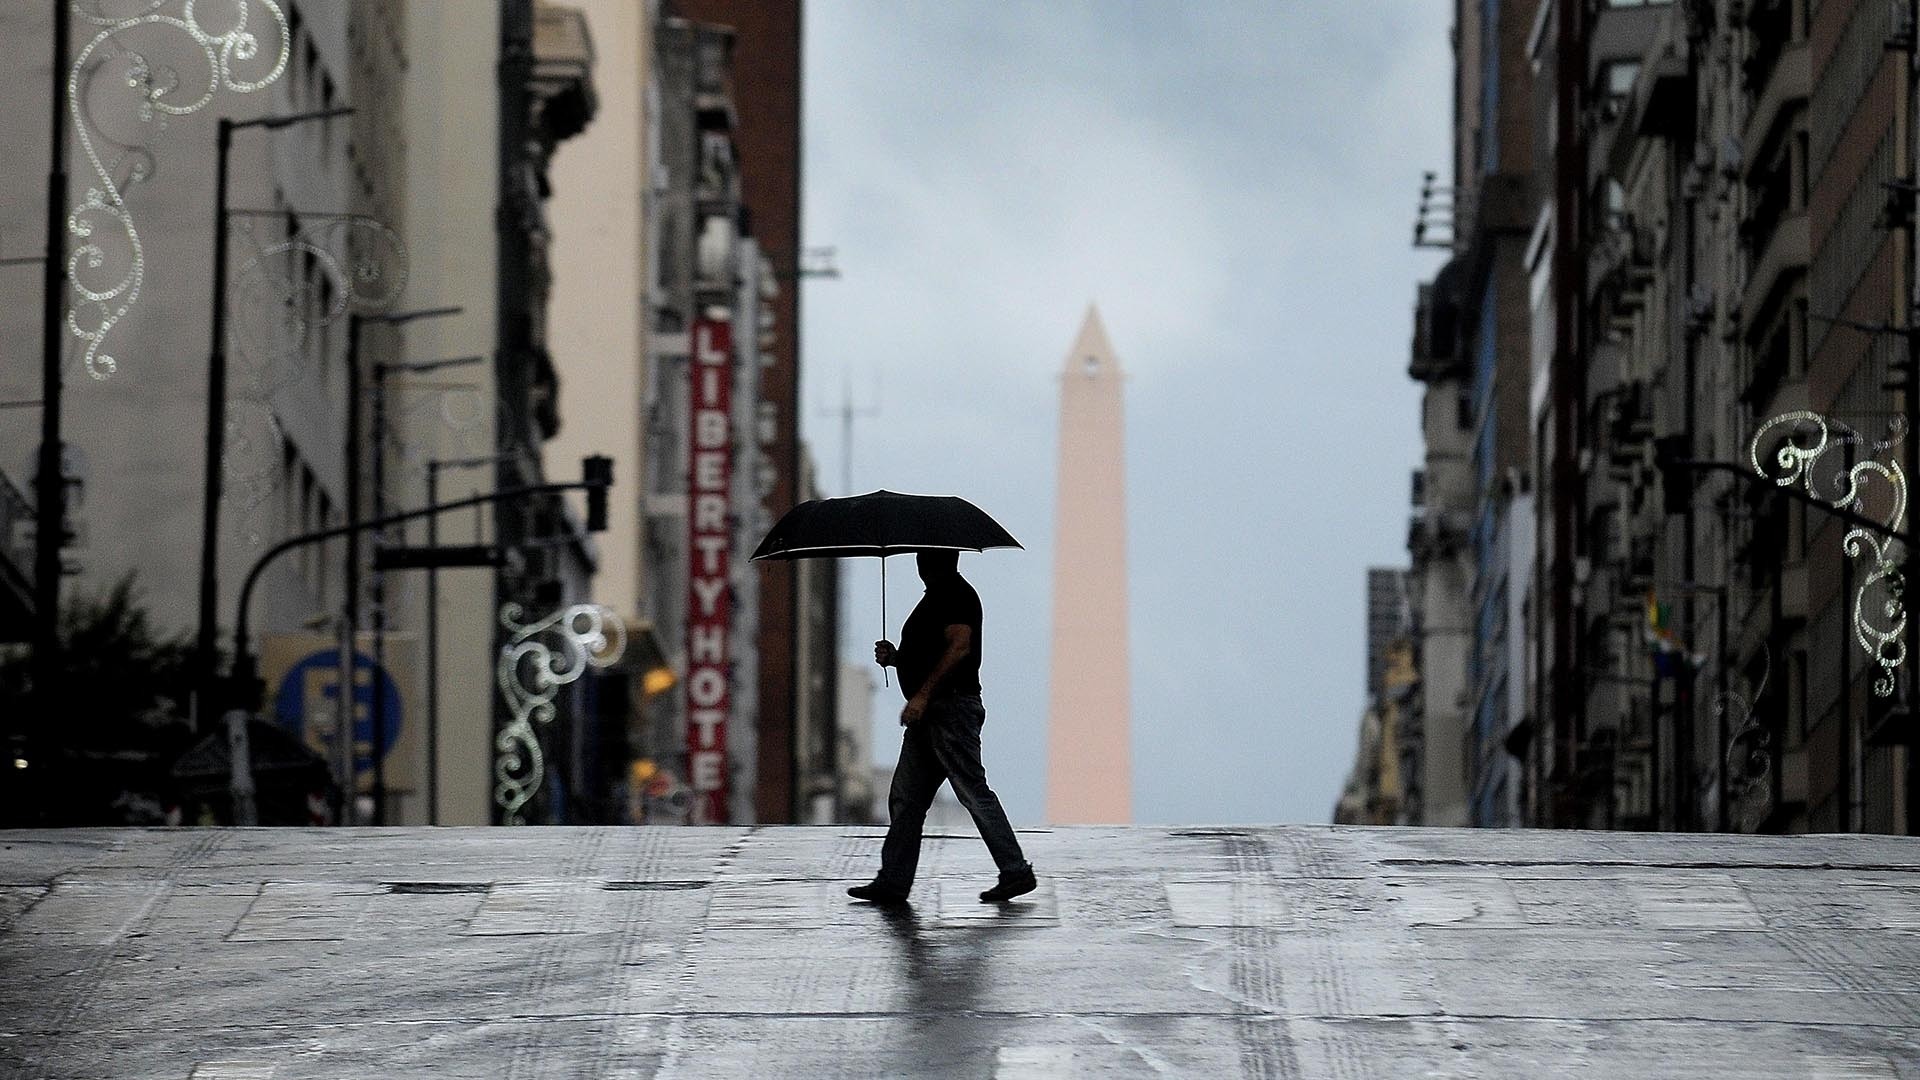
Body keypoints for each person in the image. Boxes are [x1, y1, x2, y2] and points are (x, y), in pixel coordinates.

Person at [848, 550, 1036, 905]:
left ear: (935, 562)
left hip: (949, 710)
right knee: (906, 797)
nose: (920, 563)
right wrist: (897, 657)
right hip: (931, 716)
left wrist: (921, 696)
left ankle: (1015, 870)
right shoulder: (937, 598)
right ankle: (893, 881)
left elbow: (959, 648)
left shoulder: (956, 595)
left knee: (971, 791)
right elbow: (931, 651)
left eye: (924, 557)